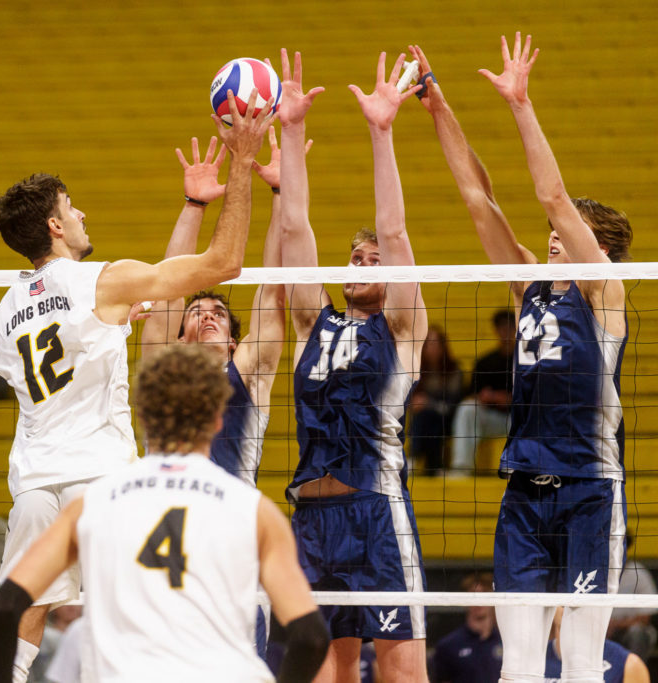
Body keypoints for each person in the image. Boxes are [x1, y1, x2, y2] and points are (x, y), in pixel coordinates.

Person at [0, 90, 274, 683]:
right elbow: (224, 264)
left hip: (34, 481)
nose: (83, 214)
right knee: (148, 619)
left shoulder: (6, 311)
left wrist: (113, 326)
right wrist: (242, 162)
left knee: (25, 620)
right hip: (101, 478)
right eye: (72, 207)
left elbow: (58, 350)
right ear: (55, 225)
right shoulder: (101, 281)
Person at [414, 34, 633, 682]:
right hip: (524, 495)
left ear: (596, 245)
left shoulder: (603, 291)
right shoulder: (529, 287)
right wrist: (438, 107)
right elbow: (478, 197)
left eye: (567, 235)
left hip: (591, 490)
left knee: (582, 662)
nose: (552, 239)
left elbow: (552, 198)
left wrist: (520, 103)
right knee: (519, 666)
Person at [0, 344, 330, 683]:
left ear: (143, 415)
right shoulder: (255, 511)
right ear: (217, 419)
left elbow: (2, 611)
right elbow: (310, 637)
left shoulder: (92, 505)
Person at [278, 47, 429, 681]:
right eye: (354, 258)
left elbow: (394, 233)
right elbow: (293, 230)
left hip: (374, 510)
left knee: (399, 675)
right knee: (321, 673)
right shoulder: (314, 321)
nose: (363, 264)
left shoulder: (402, 326)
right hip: (311, 519)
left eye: (372, 259)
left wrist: (381, 132)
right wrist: (290, 131)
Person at [139, 130, 289, 486]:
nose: (208, 315)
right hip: (162, 512)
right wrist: (195, 204)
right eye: (197, 312)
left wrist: (283, 193)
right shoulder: (164, 364)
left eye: (219, 314)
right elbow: (168, 288)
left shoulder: (249, 373)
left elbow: (272, 292)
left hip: (230, 518)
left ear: (234, 344)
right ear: (178, 340)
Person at [449, 310, 515, 473]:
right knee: (467, 409)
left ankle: (529, 471)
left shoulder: (529, 361)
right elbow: (472, 394)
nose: (505, 331)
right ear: (496, 330)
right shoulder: (486, 362)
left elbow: (537, 397)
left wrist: (509, 399)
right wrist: (489, 398)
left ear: (517, 328)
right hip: (494, 419)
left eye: (510, 327)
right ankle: (461, 468)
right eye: (502, 327)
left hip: (522, 421)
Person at [408, 325, 464, 475]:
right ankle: (434, 466)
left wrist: (428, 403)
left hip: (450, 418)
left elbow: (452, 405)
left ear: (443, 346)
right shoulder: (416, 371)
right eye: (429, 344)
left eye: (436, 343)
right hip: (427, 418)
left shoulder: (454, 371)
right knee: (426, 417)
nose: (432, 348)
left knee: (429, 417)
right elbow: (411, 401)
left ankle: (414, 457)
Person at [431, 573, 502, 683]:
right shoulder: (448, 646)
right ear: (464, 600)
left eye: (484, 594)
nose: (479, 601)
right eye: (474, 596)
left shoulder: (506, 643)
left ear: (492, 599)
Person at [546, 608, 650, 682]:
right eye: (562, 593)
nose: (568, 605)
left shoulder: (628, 664)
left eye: (575, 593)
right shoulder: (532, 658)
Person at [607, 536, 658, 661]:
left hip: (627, 629)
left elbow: (645, 618)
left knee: (637, 632)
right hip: (603, 628)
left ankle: (635, 672)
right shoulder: (598, 573)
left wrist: (616, 624)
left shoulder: (639, 574)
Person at [29, 605, 81, 683]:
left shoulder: (90, 638)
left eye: (76, 602)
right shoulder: (41, 636)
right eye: (66, 603)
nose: (71, 606)